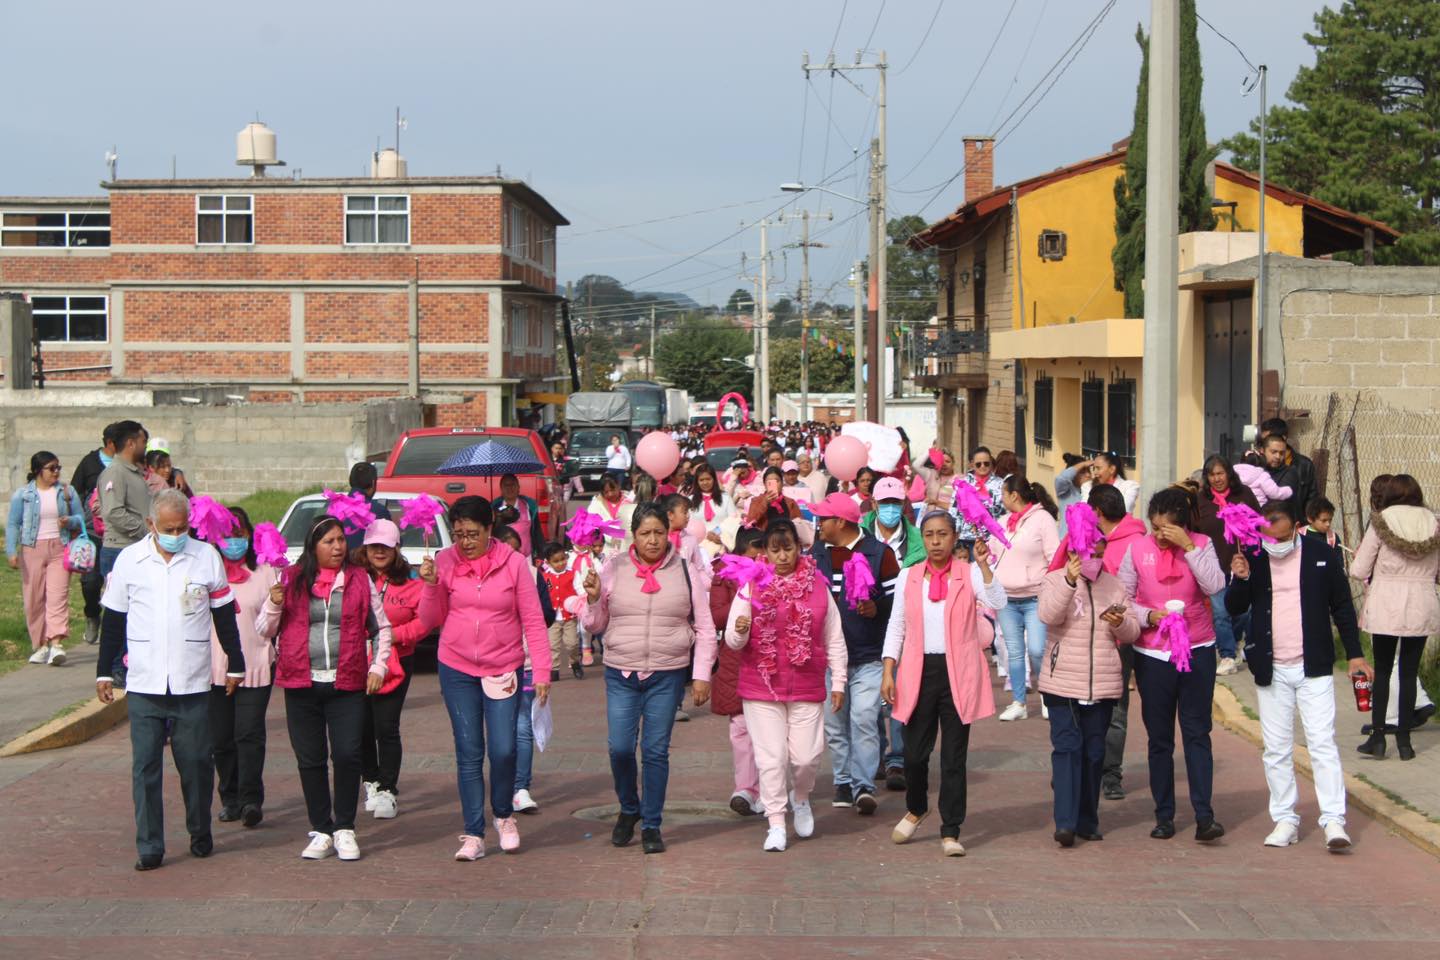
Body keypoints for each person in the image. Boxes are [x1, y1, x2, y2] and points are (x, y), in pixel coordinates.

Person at [95, 489, 247, 871]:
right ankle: (149, 845)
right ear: (151, 525)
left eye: (182, 528)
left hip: (192, 682)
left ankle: (199, 830)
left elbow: (224, 615)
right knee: (145, 766)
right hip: (145, 683)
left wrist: (236, 662)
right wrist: (102, 671)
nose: (175, 534)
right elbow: (113, 621)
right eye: (168, 528)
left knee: (196, 762)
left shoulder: (205, 557)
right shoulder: (131, 561)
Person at [1227, 501, 1371, 849]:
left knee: (1322, 743)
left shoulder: (1322, 554)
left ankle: (1334, 820)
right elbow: (1235, 607)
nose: (1275, 544)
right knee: (1276, 749)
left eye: (1281, 537)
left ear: (1296, 527)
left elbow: (1342, 607)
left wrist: (1355, 655)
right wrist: (1242, 578)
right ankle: (1285, 819)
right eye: (1267, 538)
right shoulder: (1253, 556)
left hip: (1314, 667)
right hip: (1271, 667)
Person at [418, 496, 552, 860]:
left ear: (489, 529)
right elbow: (430, 619)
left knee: (504, 749)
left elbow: (534, 620)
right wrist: (430, 585)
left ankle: (504, 815)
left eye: (472, 534)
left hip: (502, 666)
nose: (465, 542)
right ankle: (473, 833)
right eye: (459, 534)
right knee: (469, 751)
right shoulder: (444, 562)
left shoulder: (512, 564)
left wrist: (541, 670)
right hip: (457, 666)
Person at [580, 503, 717, 854]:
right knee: (620, 748)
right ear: (634, 536)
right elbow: (594, 625)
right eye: (645, 533)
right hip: (621, 672)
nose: (653, 540)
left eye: (658, 532)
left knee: (655, 752)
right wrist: (594, 600)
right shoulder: (613, 569)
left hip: (667, 674)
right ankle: (629, 809)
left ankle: (653, 824)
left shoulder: (686, 571)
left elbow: (704, 627)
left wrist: (701, 675)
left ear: (667, 534)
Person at [256, 516, 391, 861]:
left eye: (341, 540)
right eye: (328, 541)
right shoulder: (291, 580)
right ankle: (321, 828)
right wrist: (273, 603)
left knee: (347, 754)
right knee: (310, 759)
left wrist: (377, 665)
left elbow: (381, 628)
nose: (337, 547)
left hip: (346, 682)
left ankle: (345, 827)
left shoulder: (359, 580)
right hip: (301, 683)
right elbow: (264, 630)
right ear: (313, 546)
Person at [881, 512, 1006, 856]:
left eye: (943, 535)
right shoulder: (909, 575)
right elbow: (896, 626)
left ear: (954, 538)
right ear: (923, 539)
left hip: (958, 673)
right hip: (917, 671)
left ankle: (951, 829)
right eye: (930, 535)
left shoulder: (968, 575)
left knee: (953, 757)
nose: (936, 541)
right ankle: (918, 807)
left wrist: (983, 566)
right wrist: (889, 669)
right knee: (914, 754)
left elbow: (999, 602)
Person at [725, 519, 848, 852]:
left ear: (799, 548)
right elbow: (733, 642)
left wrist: (839, 680)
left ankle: (802, 797)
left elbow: (833, 636)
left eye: (788, 548)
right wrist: (740, 628)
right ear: (765, 551)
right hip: (761, 687)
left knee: (806, 758)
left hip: (806, 684)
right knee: (771, 758)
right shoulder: (750, 586)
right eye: (775, 550)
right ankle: (776, 822)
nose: (782, 557)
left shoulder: (818, 586)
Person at [1117, 486, 1227, 842]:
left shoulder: (1200, 545)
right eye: (1155, 527)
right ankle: (1164, 814)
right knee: (1159, 738)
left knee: (1197, 732)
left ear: (1181, 524)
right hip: (1153, 653)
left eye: (1167, 528)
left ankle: (1204, 816)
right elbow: (1123, 598)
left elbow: (1214, 585)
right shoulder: (1138, 548)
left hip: (1197, 647)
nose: (1159, 535)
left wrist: (1190, 547)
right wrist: (1149, 615)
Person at [1037, 532, 1139, 846]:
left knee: (1094, 753)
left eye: (1098, 552)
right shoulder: (1055, 580)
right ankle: (1065, 823)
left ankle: (1087, 819)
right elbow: (1048, 616)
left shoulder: (1115, 585)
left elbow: (1133, 630)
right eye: (1086, 552)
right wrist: (1069, 582)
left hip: (1103, 683)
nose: (1092, 558)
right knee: (1067, 749)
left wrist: (1119, 622)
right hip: (1062, 682)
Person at [1048, 485, 1148, 799]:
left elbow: (1139, 591)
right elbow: (1055, 577)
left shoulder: (1137, 543)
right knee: (1075, 715)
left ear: (1098, 513)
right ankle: (1071, 772)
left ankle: (1110, 774)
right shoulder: (1077, 539)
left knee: (1114, 711)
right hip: (1077, 641)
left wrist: (1124, 619)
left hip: (1116, 638)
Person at [811, 492, 901, 815]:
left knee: (863, 717)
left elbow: (896, 604)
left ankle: (863, 784)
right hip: (829, 660)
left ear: (840, 522)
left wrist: (877, 607)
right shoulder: (816, 553)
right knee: (835, 724)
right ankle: (843, 780)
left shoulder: (880, 554)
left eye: (823, 519)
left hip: (869, 656)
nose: (818, 524)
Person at [1349, 474, 1440, 762]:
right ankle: (1405, 742)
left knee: (1384, 670)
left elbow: (1358, 569)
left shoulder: (1381, 521)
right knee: (1409, 672)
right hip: (1422, 602)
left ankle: (1378, 737)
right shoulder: (1433, 522)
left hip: (1386, 601)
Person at [207, 506, 282, 829]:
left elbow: (270, 627)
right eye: (225, 535)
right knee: (221, 739)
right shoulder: (208, 571)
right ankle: (230, 797)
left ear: (249, 536)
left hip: (255, 665)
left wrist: (277, 603)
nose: (232, 541)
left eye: (238, 535)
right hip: (214, 669)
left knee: (248, 734)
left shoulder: (265, 572)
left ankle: (252, 799)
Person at [355, 519, 427, 820]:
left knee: (386, 725)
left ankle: (388, 788)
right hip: (358, 661)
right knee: (361, 726)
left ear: (397, 548)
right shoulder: (356, 579)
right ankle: (370, 780)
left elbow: (425, 622)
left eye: (386, 546)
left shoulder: (412, 584)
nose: (379, 551)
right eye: (374, 546)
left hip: (397, 661)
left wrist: (396, 635)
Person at [990, 476, 1061, 721]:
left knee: (1037, 649)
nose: (1001, 497)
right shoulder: (1002, 522)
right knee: (1014, 652)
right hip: (1007, 600)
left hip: (1035, 598)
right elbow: (992, 555)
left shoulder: (1043, 520)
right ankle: (1018, 702)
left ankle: (1047, 697)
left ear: (1014, 496)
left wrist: (1053, 589)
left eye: (1003, 492)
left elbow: (1054, 557)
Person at [7, 451, 84, 666]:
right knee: (34, 599)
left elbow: (80, 518)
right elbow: (13, 524)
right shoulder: (23, 495)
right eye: (52, 468)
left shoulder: (67, 492)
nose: (56, 472)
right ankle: (40, 645)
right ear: (38, 471)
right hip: (32, 549)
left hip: (60, 548)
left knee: (57, 596)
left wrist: (69, 521)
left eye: (58, 467)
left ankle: (56, 643)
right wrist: (11, 552)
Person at [710, 526, 766, 817]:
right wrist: (745, 600)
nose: (762, 558)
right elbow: (716, 615)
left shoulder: (777, 571)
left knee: (771, 728)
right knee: (741, 727)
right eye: (757, 551)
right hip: (736, 657)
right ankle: (745, 789)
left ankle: (770, 790)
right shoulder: (723, 574)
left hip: (769, 656)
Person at [1192, 455, 1262, 677]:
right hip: (1214, 563)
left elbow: (1258, 522)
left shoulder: (1244, 495)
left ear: (1229, 474)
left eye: (1220, 473)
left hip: (1241, 562)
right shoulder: (1200, 500)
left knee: (1242, 611)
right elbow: (1194, 529)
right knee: (1220, 612)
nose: (1216, 479)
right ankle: (1228, 655)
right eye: (1212, 474)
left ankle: (1235, 641)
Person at [70, 422, 120, 646]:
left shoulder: (130, 463)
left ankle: (115, 629)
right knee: (90, 582)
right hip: (91, 532)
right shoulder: (89, 463)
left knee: (116, 583)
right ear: (111, 443)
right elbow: (75, 493)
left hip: (119, 533)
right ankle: (92, 615)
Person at [97, 420, 152, 579]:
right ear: (131, 443)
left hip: (135, 547)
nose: (145, 446)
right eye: (143, 442)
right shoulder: (115, 472)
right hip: (120, 549)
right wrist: (146, 531)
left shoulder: (133, 472)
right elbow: (113, 512)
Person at [1249, 418, 1318, 518]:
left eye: (1270, 438)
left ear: (1283, 438)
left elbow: (1312, 499)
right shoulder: (1257, 465)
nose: (1277, 456)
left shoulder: (1303, 465)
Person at [541, 540, 584, 679]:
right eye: (556, 561)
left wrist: (584, 600)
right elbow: (543, 593)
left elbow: (579, 589)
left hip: (569, 616)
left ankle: (575, 662)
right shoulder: (545, 576)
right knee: (552, 645)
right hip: (552, 617)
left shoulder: (572, 573)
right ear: (548, 562)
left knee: (572, 643)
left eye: (563, 559)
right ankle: (554, 669)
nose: (561, 563)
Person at [862, 476, 926, 569]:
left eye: (896, 502)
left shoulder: (919, 539)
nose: (891, 507)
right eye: (884, 501)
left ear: (903, 504)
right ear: (874, 503)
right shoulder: (860, 536)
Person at [955, 447, 1005, 556]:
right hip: (966, 539)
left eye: (986, 463)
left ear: (991, 463)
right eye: (979, 464)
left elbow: (1004, 512)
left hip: (991, 539)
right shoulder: (963, 483)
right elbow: (955, 510)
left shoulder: (1001, 484)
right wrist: (954, 533)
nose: (983, 466)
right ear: (972, 464)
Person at [344, 462, 393, 551]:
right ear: (373, 483)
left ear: (351, 481)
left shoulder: (333, 509)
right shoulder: (379, 511)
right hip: (367, 564)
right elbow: (392, 542)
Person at [495, 473, 543, 560]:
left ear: (518, 487)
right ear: (501, 488)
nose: (509, 488)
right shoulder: (495, 507)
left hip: (526, 558)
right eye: (506, 485)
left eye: (512, 484)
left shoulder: (529, 505)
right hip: (502, 558)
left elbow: (537, 532)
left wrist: (540, 555)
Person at [745, 467, 803, 531]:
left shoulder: (791, 502)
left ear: (782, 483)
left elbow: (799, 525)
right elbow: (750, 522)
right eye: (769, 482)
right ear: (764, 484)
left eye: (777, 481)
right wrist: (764, 503)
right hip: (764, 538)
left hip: (786, 538)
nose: (774, 484)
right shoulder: (756, 501)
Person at [690, 462, 734, 544]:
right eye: (701, 480)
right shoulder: (690, 501)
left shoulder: (725, 498)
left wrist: (716, 533)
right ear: (697, 482)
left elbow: (733, 520)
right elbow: (688, 525)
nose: (705, 482)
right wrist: (707, 535)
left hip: (722, 540)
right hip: (699, 544)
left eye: (708, 479)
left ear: (714, 479)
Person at [1053, 454, 1093, 531]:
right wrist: (1083, 464)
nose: (1088, 475)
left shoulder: (1092, 491)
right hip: (1066, 540)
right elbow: (1061, 479)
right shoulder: (1066, 490)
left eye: (1088, 471)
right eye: (1082, 472)